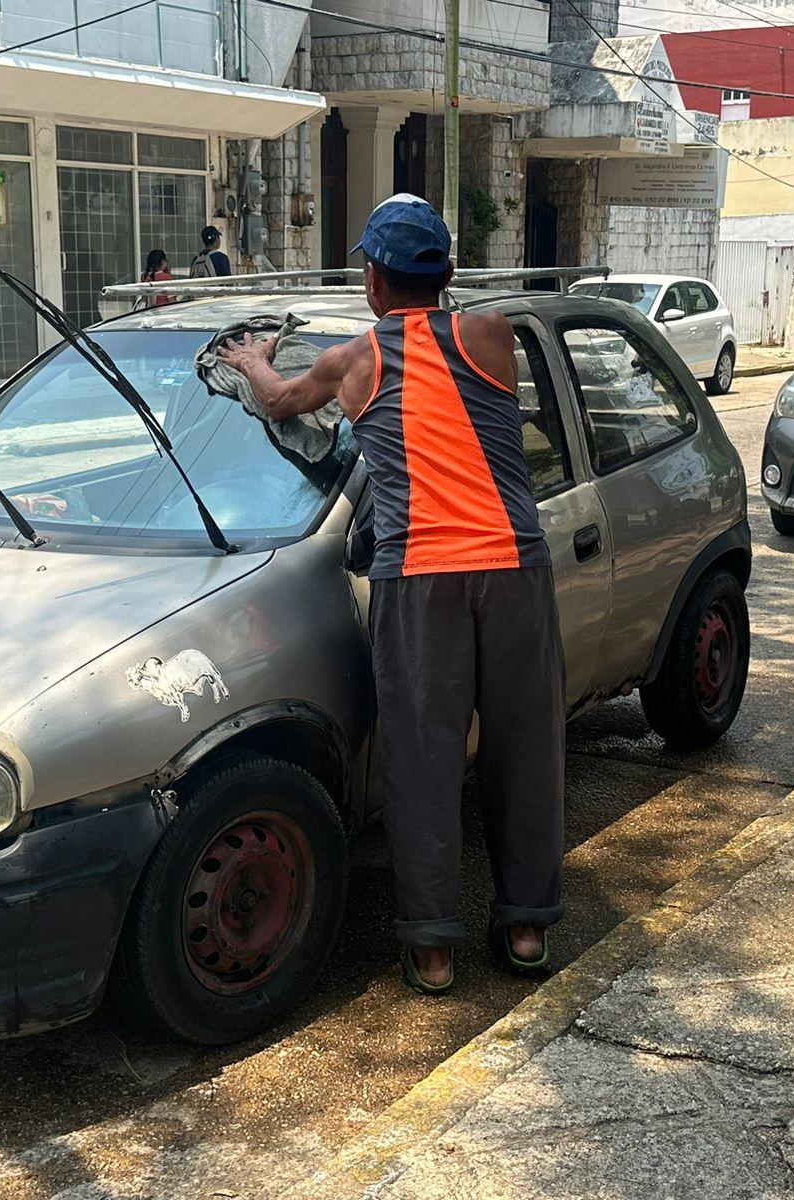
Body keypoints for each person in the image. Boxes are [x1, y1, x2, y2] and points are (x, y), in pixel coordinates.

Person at [217, 194, 564, 993]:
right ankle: (522, 932)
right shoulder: (490, 335)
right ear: (445, 273)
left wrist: (255, 358)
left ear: (372, 279)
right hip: (514, 569)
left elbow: (278, 402)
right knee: (525, 751)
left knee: (423, 759)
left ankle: (434, 951)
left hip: (419, 580)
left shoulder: (352, 361)